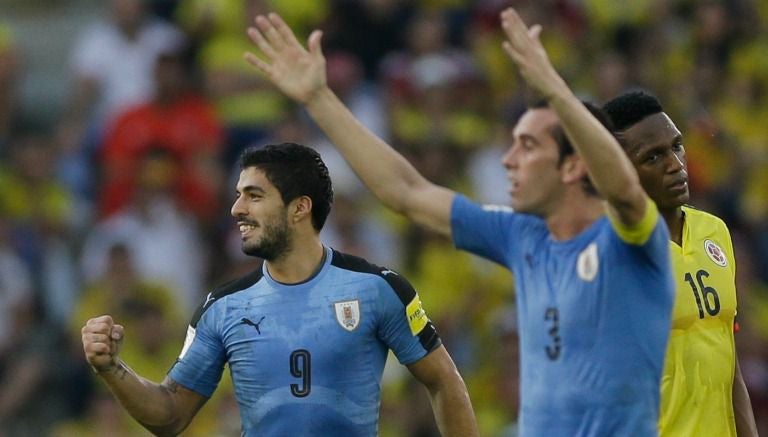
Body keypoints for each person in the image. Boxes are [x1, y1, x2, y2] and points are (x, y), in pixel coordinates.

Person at [244, 9, 675, 436]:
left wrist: (558, 95)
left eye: (526, 146)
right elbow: (406, 191)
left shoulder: (631, 239)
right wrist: (319, 99)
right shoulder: (521, 236)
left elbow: (622, 190)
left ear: (573, 166)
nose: (508, 161)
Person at [81, 142, 478, 436]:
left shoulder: (378, 288)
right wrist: (112, 368)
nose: (237, 208)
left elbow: (443, 380)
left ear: (300, 208)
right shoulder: (222, 307)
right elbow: (169, 414)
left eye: (254, 196)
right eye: (238, 195)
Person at [602, 91, 758, 437]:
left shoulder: (714, 232)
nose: (675, 164)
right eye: (653, 157)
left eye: (677, 146)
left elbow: (727, 361)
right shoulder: (614, 253)